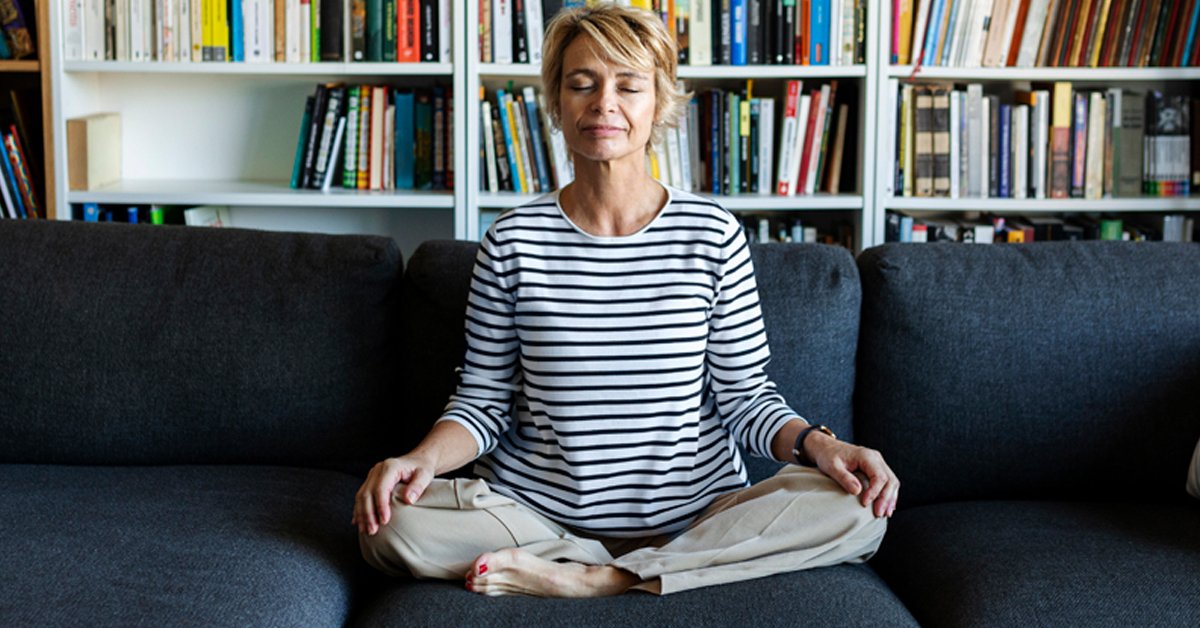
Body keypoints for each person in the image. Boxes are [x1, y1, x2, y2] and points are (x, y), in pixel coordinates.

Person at [353, 3, 899, 598]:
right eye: (581, 83)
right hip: (538, 517)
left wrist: (822, 445)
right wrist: (423, 460)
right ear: (557, 104)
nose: (603, 103)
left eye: (629, 85)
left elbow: (746, 399)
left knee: (858, 511)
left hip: (696, 518)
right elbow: (483, 401)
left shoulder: (711, 233)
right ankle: (633, 567)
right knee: (390, 526)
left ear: (658, 103)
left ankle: (599, 579)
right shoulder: (512, 240)